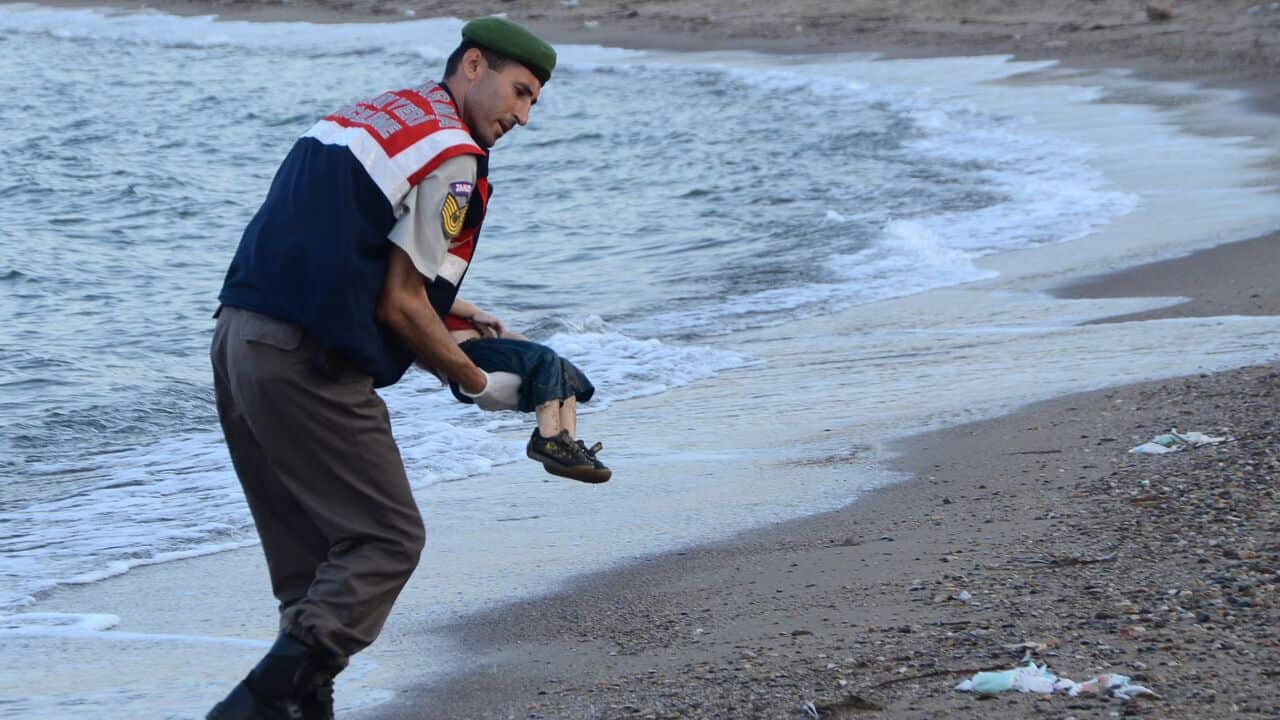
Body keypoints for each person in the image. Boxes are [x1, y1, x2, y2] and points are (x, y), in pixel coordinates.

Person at [207, 18, 567, 719]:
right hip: (306, 363)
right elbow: (401, 306)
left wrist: (455, 311)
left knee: (311, 576)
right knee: (386, 538)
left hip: (237, 341)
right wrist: (476, 382)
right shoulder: (457, 157)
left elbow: (346, 241)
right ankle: (251, 704)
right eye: (519, 92)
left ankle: (299, 708)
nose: (522, 116)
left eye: (533, 103)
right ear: (472, 65)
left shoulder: (376, 114)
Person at [444, 298, 611, 483]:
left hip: (489, 347)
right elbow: (435, 295)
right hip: (466, 351)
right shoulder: (430, 298)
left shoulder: (460, 309)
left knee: (559, 366)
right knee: (545, 357)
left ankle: (566, 447)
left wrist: (507, 335)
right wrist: (474, 312)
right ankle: (547, 440)